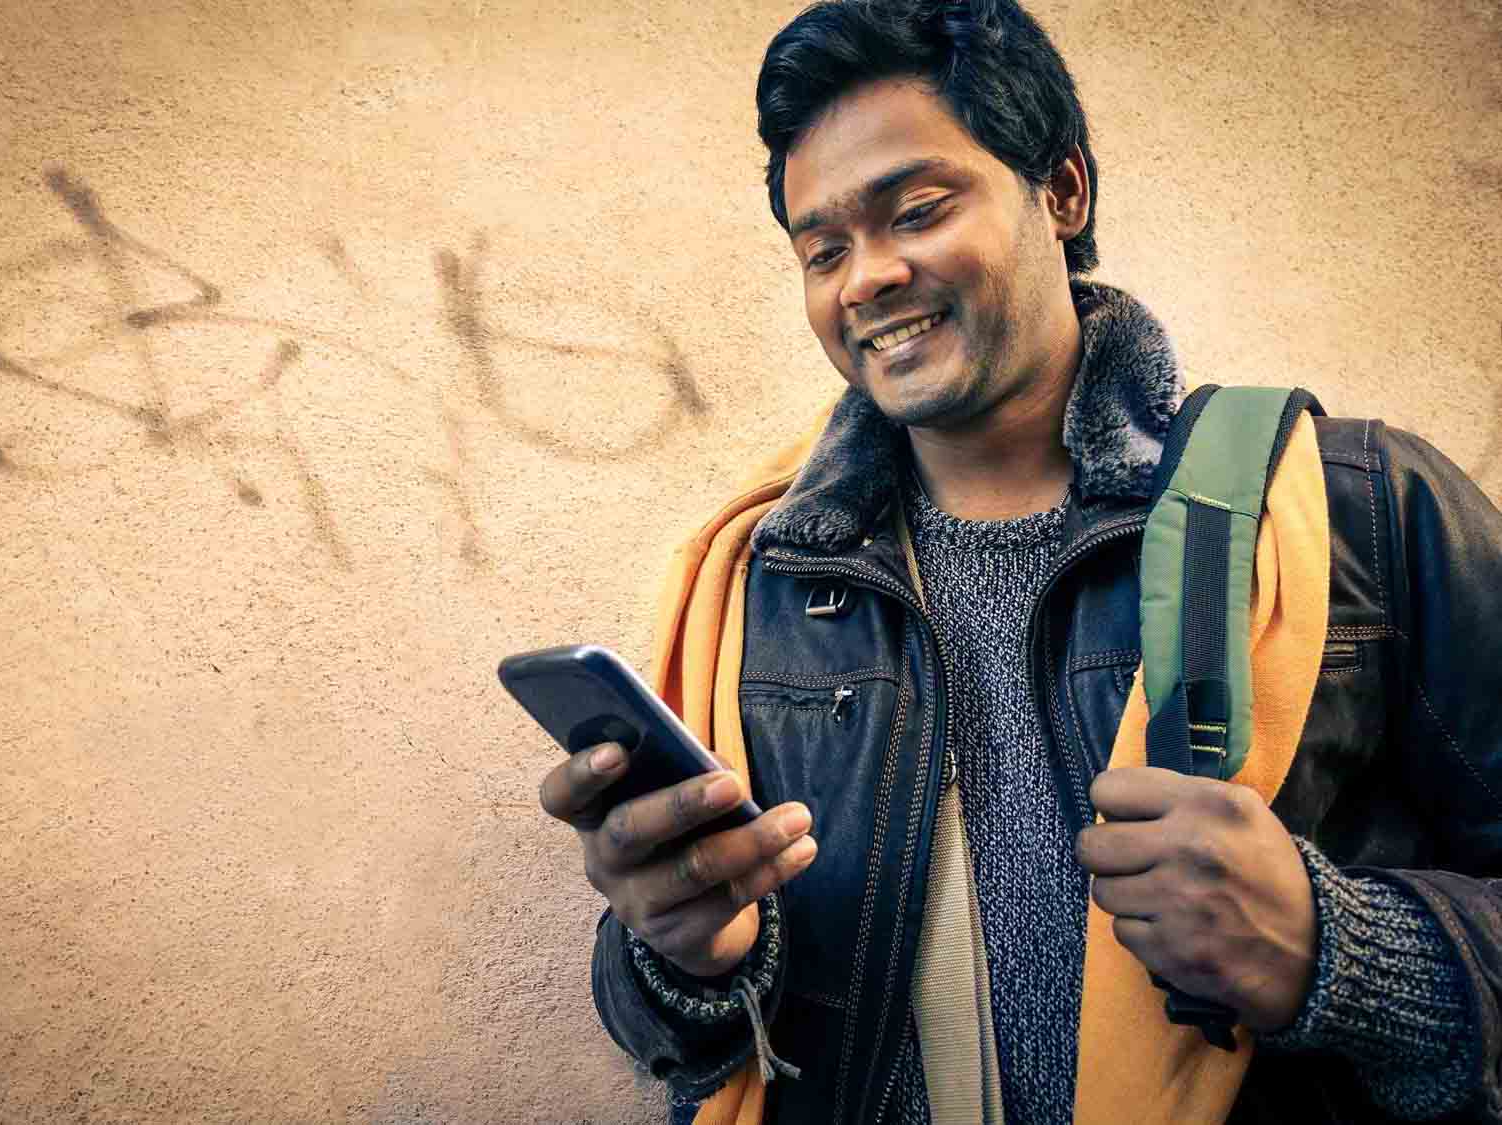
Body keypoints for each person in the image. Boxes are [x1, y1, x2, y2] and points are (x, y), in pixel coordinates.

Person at [536, 1, 1502, 1121]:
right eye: (823, 250)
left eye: (918, 210)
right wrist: (682, 956)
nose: (866, 279)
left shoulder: (1357, 509)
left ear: (1063, 191)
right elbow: (674, 1031)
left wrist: (1341, 953)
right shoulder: (758, 584)